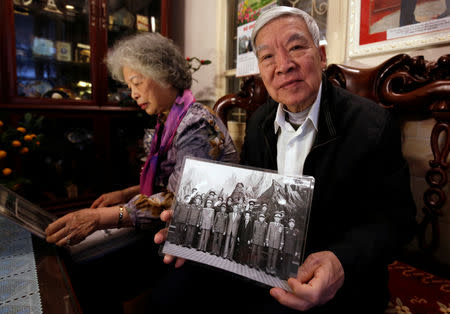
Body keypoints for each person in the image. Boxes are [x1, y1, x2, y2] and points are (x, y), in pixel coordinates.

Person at [153, 5, 416, 313]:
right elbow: (251, 203)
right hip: (264, 263)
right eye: (267, 57)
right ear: (261, 71)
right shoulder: (259, 122)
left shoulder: (372, 125)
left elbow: (396, 222)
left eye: (296, 47)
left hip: (337, 281)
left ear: (321, 56)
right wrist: (201, 235)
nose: (283, 65)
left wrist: (340, 261)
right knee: (172, 289)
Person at [45, 32, 238, 247]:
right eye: (129, 87)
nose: (133, 94)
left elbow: (183, 198)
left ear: (164, 75)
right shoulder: (168, 119)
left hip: (208, 238)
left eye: (137, 83)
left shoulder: (197, 125)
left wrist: (101, 218)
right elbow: (170, 181)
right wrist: (124, 193)